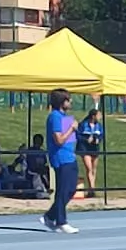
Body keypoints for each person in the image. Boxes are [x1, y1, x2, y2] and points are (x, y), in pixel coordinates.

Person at [43, 88, 79, 233]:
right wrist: (72, 128)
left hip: (70, 156)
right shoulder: (55, 117)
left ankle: (50, 215)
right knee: (63, 190)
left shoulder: (64, 117)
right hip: (61, 157)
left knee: (70, 189)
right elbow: (58, 140)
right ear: (61, 102)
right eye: (68, 100)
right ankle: (61, 221)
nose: (70, 102)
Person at [76, 107, 105, 196]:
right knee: (89, 168)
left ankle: (91, 189)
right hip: (85, 148)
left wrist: (98, 139)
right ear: (93, 116)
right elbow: (78, 135)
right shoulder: (83, 124)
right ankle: (92, 189)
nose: (100, 117)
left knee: (94, 169)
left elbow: (102, 135)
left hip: (94, 148)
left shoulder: (99, 125)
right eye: (98, 115)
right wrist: (86, 139)